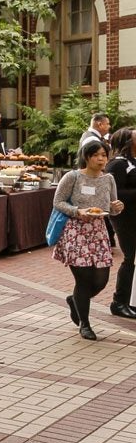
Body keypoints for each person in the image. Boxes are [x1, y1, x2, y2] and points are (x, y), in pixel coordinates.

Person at [52, 139, 123, 341]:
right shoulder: (72, 177)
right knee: (83, 279)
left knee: (101, 280)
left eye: (104, 155)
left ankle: (75, 300)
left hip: (99, 232)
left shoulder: (108, 178)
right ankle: (85, 323)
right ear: (87, 157)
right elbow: (58, 202)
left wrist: (117, 208)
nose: (101, 159)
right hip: (75, 232)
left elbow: (111, 208)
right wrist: (77, 211)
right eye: (97, 155)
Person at [106, 126, 136, 319]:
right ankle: (119, 302)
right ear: (128, 141)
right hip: (125, 218)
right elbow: (113, 194)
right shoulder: (117, 164)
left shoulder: (133, 161)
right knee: (130, 257)